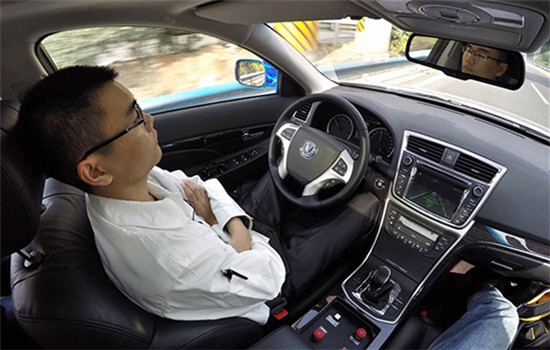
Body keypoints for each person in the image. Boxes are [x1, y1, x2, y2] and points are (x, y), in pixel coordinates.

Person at [13, 65, 379, 325]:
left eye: (139, 107)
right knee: (369, 202)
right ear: (95, 170)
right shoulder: (172, 261)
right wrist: (230, 224)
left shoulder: (126, 184)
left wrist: (224, 225)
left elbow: (187, 182)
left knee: (276, 170)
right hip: (270, 280)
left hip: (226, 241)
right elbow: (267, 277)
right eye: (136, 119)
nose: (151, 121)